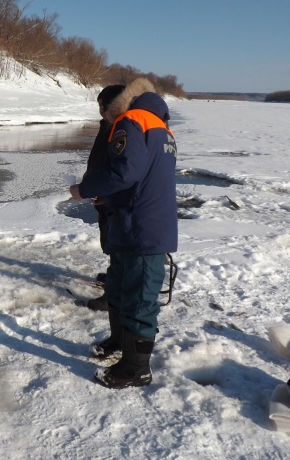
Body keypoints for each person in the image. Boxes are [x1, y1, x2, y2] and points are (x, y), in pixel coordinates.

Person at [69, 77, 177, 389]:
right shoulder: (157, 123)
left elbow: (125, 171)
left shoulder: (131, 121)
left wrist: (84, 189)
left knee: (140, 297)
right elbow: (141, 178)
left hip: (142, 227)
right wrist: (110, 197)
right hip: (134, 219)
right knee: (119, 286)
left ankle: (136, 367)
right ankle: (119, 341)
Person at [84, 84, 126, 313]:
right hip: (105, 195)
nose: (99, 110)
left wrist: (97, 189)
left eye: (100, 105)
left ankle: (113, 294)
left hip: (113, 196)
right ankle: (113, 277)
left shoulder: (121, 129)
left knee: (116, 242)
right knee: (110, 239)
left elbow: (117, 169)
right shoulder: (110, 125)